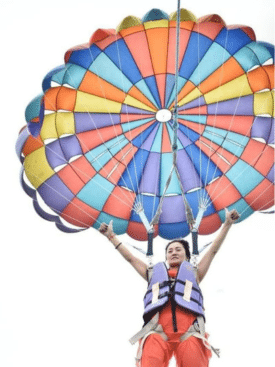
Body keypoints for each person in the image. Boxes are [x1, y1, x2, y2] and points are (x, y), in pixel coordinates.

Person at [99, 208, 240, 367]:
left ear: (187, 255)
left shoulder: (194, 273)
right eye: (170, 251)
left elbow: (213, 250)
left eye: (178, 249)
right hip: (158, 333)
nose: (173, 252)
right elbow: (130, 259)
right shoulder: (153, 274)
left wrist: (227, 224)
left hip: (189, 333)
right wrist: (111, 236)